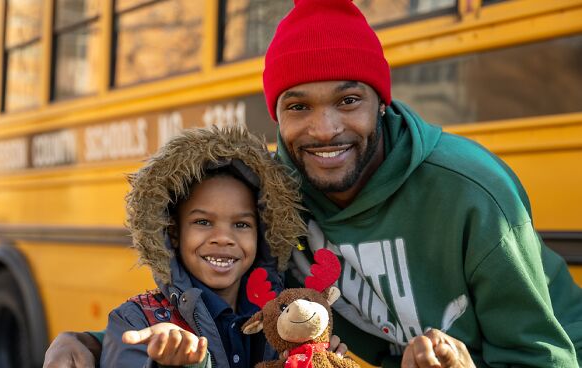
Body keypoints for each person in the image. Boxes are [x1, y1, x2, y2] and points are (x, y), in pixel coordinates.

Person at [44, 0, 582, 367]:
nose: (325, 130)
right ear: (276, 117)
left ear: (382, 102)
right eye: (298, 106)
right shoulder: (274, 199)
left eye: (349, 100)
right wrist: (94, 343)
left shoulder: (472, 191)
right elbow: (232, 314)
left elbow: (544, 353)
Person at [98, 126, 309, 367]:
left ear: (263, 234)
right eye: (203, 222)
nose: (223, 238)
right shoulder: (136, 321)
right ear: (173, 232)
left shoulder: (286, 317)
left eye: (241, 224)